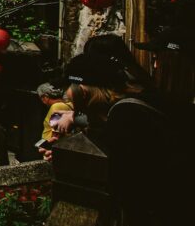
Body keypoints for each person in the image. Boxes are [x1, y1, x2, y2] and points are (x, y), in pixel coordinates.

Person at [40, 51, 187, 225]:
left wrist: (70, 159)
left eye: (69, 88)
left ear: (83, 91)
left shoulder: (125, 116)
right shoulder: (140, 102)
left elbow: (123, 178)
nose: (66, 94)